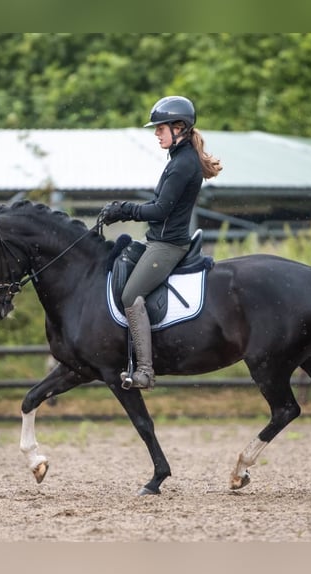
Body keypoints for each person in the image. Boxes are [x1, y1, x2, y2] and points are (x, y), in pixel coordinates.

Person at [100, 95, 222, 389]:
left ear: (179, 127)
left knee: (130, 295)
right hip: (158, 239)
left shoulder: (183, 164)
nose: (156, 133)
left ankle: (145, 370)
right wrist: (124, 207)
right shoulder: (178, 159)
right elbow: (158, 202)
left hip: (168, 246)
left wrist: (124, 210)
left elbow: (160, 210)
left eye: (160, 128)